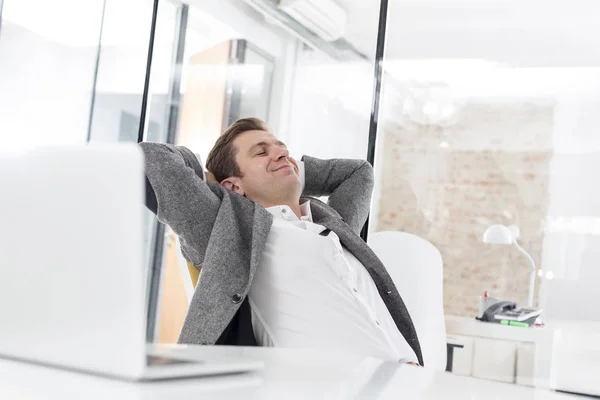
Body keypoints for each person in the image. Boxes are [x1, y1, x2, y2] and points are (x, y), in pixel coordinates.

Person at [141, 117, 423, 365]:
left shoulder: (335, 224)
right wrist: (211, 180)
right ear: (233, 186)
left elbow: (358, 172)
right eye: (261, 152)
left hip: (410, 380)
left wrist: (286, 167)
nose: (282, 153)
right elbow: (149, 158)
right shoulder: (231, 230)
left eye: (282, 147)